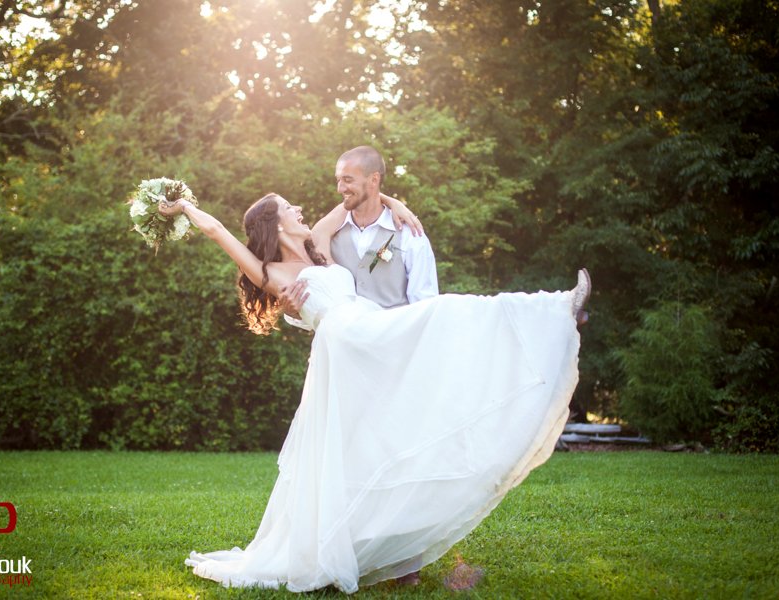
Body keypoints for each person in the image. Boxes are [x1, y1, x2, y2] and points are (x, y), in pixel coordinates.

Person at [158, 192, 590, 593]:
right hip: (347, 344)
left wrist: (394, 203)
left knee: (387, 429)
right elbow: (218, 233)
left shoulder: (320, 249)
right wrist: (183, 208)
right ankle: (553, 308)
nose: (301, 211)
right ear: (276, 225)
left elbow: (352, 199)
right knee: (444, 312)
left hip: (366, 334)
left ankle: (553, 314)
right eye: (290, 208)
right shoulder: (272, 273)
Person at [279, 146, 438, 329]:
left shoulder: (409, 234)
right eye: (338, 180)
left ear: (374, 179)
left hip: (396, 349)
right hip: (343, 350)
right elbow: (317, 299)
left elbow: (425, 305)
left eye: (348, 180)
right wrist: (292, 313)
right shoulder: (328, 235)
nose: (340, 188)